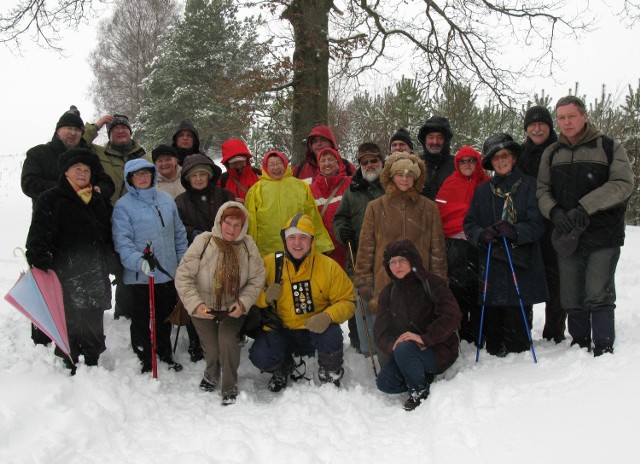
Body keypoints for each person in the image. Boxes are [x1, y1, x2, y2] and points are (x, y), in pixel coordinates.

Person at [537, 96, 634, 356]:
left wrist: (585, 206)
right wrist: (554, 211)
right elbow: (542, 190)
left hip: (603, 233)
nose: (566, 122)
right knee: (570, 294)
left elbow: (623, 184)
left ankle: (603, 347)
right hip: (567, 234)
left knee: (598, 291)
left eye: (571, 116)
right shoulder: (552, 152)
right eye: (561, 118)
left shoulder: (608, 146)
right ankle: (579, 343)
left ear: (584, 116)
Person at [21, 106, 115, 345]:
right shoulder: (40, 153)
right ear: (57, 130)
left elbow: (105, 182)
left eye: (76, 129)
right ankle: (45, 336)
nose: (72, 133)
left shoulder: (87, 158)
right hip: (51, 224)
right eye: (68, 128)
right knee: (49, 286)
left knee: (81, 296)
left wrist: (97, 190)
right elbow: (29, 183)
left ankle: (86, 345)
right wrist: (64, 190)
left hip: (84, 227)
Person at [25, 148, 118, 373]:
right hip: (64, 271)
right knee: (69, 319)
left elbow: (108, 235)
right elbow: (38, 236)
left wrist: (112, 261)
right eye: (77, 168)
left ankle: (93, 359)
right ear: (66, 172)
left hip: (95, 270)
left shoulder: (98, 201)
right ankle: (70, 359)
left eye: (87, 170)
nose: (83, 173)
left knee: (93, 317)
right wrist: (42, 262)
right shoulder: (51, 199)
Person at [354, 151, 447, 364]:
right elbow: (366, 247)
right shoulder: (376, 207)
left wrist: (439, 283)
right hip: (385, 281)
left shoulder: (429, 208)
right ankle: (390, 366)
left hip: (419, 280)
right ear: (390, 176)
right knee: (388, 332)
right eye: (399, 174)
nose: (404, 178)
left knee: (417, 330)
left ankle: (416, 367)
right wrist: (364, 279)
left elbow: (437, 250)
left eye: (409, 174)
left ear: (416, 178)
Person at [248, 214, 355, 391]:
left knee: (332, 335)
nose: (297, 243)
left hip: (315, 330)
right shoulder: (270, 263)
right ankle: (282, 367)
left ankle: (330, 372)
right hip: (281, 330)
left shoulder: (328, 266)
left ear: (312, 240)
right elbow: (249, 294)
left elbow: (348, 300)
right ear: (284, 240)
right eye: (292, 237)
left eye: (303, 237)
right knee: (261, 356)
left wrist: (328, 316)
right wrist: (264, 297)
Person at [463, 133, 548, 356]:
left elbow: (538, 224)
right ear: (491, 163)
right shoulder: (483, 190)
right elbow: (469, 223)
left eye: (505, 156)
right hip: (492, 263)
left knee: (518, 341)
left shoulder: (529, 185)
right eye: (496, 158)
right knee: (493, 341)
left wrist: (516, 231)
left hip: (520, 262)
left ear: (513, 157)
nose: (501, 161)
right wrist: (482, 234)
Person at [175, 201, 266, 405]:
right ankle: (211, 373)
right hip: (203, 305)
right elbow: (183, 276)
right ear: (219, 221)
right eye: (228, 223)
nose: (232, 230)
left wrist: (243, 303)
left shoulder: (247, 245)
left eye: (237, 225)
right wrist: (196, 305)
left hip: (232, 308)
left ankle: (229, 385)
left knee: (227, 342)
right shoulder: (203, 241)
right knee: (212, 349)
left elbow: (257, 278)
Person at [112, 158, 188, 373]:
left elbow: (179, 233)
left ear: (153, 175)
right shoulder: (123, 206)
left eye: (146, 173)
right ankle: (144, 355)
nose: (143, 178)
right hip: (140, 276)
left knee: (164, 316)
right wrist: (139, 262)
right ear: (130, 179)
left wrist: (181, 260)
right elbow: (123, 242)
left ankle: (164, 353)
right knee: (141, 318)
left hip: (166, 273)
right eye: (137, 175)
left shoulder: (166, 200)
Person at [374, 239, 461, 411]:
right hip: (404, 353)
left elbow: (452, 315)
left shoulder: (432, 283)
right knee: (385, 383)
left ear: (412, 260)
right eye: (392, 261)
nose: (397, 265)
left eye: (402, 260)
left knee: (406, 348)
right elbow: (380, 331)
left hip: (437, 349)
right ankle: (419, 375)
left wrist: (424, 339)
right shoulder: (388, 293)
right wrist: (394, 344)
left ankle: (418, 391)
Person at [175, 153, 234, 362]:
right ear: (187, 178)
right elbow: (178, 225)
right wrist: (193, 233)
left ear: (209, 176)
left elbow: (234, 218)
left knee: (225, 294)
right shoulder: (181, 201)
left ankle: (226, 336)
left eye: (202, 174)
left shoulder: (224, 196)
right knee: (197, 297)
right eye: (194, 175)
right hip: (196, 255)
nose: (199, 179)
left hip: (225, 252)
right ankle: (196, 341)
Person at [517, 105, 564, 343]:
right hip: (527, 223)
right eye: (532, 125)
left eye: (541, 124)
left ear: (549, 126)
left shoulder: (560, 150)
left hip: (554, 223)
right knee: (525, 274)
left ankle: (554, 331)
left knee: (555, 279)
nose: (537, 129)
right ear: (526, 129)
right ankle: (523, 329)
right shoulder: (521, 153)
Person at [333, 142, 386, 354]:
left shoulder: (391, 185)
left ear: (381, 161)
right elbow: (339, 217)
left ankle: (389, 350)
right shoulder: (351, 191)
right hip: (359, 257)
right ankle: (368, 352)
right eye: (365, 162)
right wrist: (341, 230)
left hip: (388, 258)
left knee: (388, 308)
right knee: (365, 309)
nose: (370, 165)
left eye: (374, 160)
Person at [436, 145, 490, 343]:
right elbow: (442, 212)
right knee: (458, 290)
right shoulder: (449, 183)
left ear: (478, 162)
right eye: (463, 161)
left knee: (479, 289)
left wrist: (474, 226)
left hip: (480, 244)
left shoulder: (486, 183)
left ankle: (479, 332)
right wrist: (464, 222)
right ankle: (460, 331)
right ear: (457, 163)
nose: (467, 164)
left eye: (471, 160)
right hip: (456, 245)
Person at [244, 150, 334, 256]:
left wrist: (322, 243)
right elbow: (251, 223)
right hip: (267, 250)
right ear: (265, 167)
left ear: (285, 165)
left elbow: (312, 216)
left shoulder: (301, 187)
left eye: (279, 164)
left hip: (298, 246)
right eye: (271, 165)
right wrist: (249, 249)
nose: (276, 168)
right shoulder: (256, 190)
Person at [86, 114, 150, 206]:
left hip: (141, 214)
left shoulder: (144, 157)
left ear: (130, 132)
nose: (120, 131)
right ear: (109, 135)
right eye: (115, 128)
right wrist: (96, 126)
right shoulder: (98, 154)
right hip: (110, 215)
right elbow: (79, 142)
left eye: (124, 127)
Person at [310, 147, 352, 269]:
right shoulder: (311, 189)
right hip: (324, 250)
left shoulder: (350, 183)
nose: (327, 163)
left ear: (338, 163)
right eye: (323, 161)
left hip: (347, 246)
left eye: (331, 160)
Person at [416, 116, 455, 200]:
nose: (435, 142)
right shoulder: (415, 164)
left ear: (446, 141)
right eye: (430, 137)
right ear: (424, 140)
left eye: (440, 137)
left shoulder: (456, 165)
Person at [219, 138, 261, 203]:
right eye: (234, 162)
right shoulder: (222, 180)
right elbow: (213, 201)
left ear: (246, 160)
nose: (238, 165)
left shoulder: (259, 174)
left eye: (241, 161)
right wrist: (228, 201)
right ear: (227, 164)